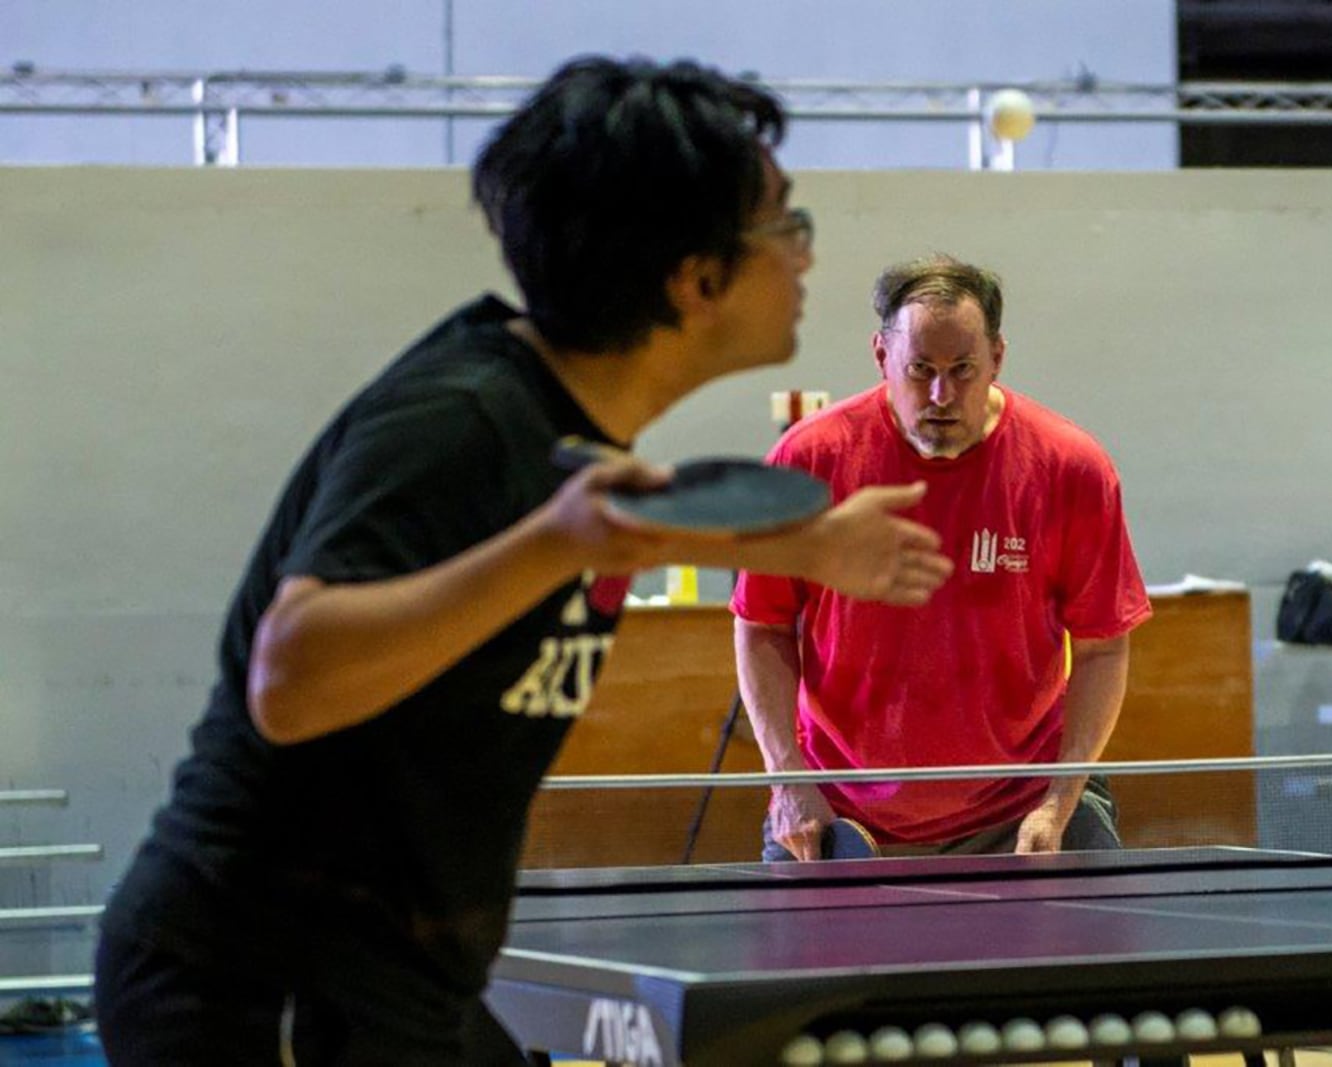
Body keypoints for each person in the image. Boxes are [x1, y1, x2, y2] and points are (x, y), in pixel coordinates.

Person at [93, 57, 954, 1066]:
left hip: (401, 977)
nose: (805, 259)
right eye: (786, 229)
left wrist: (797, 547)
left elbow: (606, 521)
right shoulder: (458, 419)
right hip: (255, 981)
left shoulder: (561, 432)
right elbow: (290, 673)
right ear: (697, 278)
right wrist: (557, 542)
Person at [733, 254, 1151, 862]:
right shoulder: (808, 462)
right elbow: (761, 624)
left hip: (1025, 807)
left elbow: (1103, 646)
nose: (941, 395)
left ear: (998, 358)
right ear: (881, 356)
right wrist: (788, 782)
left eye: (962, 370)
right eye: (920, 369)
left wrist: (1061, 800)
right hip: (843, 813)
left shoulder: (1071, 469)